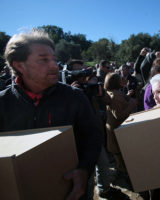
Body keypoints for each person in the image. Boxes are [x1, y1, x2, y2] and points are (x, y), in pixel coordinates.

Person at [1, 29, 102, 200]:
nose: (54, 65)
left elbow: (93, 137)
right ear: (19, 65)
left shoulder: (75, 97)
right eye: (43, 60)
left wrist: (84, 169)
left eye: (54, 59)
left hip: (70, 192)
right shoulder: (3, 103)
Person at [104, 73, 137, 172]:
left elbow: (119, 102)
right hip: (117, 130)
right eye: (120, 79)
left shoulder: (111, 92)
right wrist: (132, 104)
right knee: (121, 159)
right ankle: (125, 176)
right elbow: (118, 115)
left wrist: (127, 96)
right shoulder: (115, 96)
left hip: (116, 129)